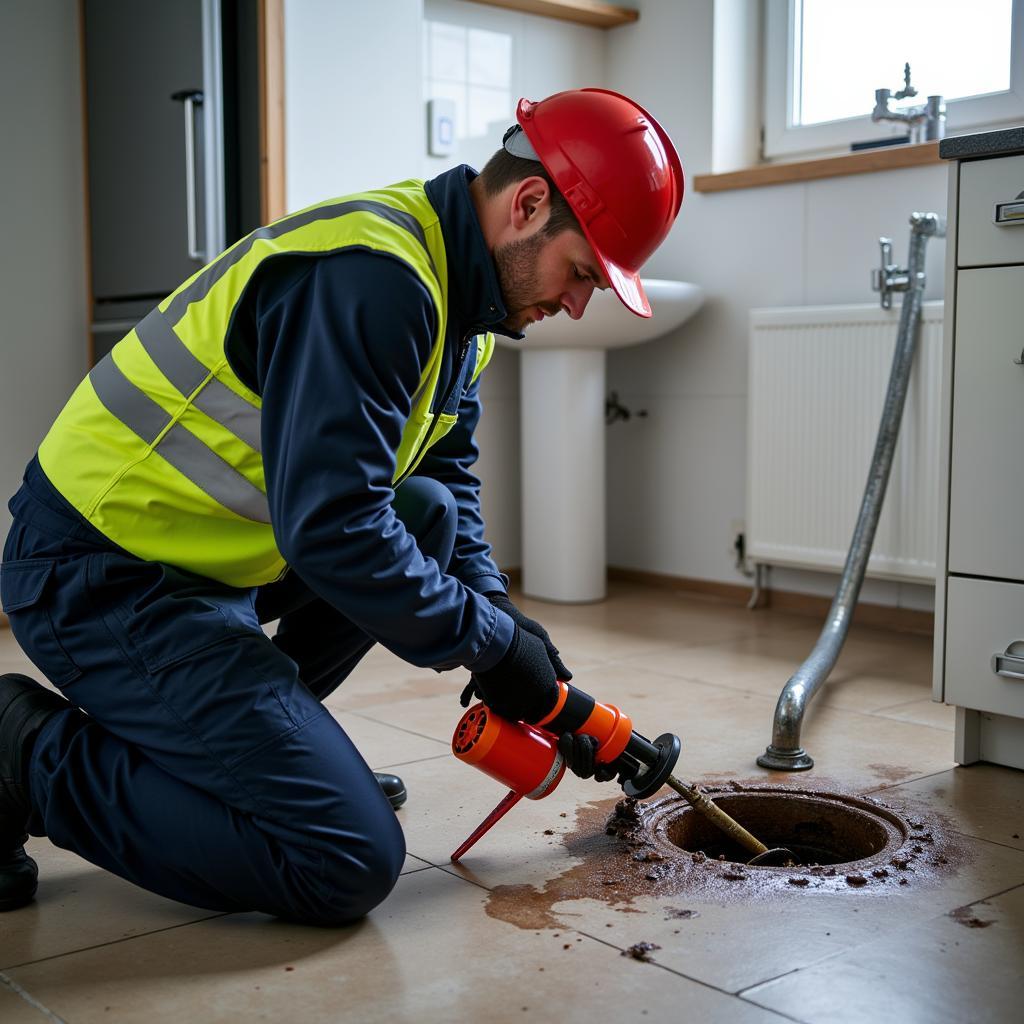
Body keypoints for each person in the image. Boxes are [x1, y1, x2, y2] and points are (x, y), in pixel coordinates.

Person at [0, 88, 683, 922]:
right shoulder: (375, 280)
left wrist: (503, 630)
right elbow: (335, 531)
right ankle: (19, 751)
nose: (577, 304)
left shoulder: (460, 310)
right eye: (580, 273)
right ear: (529, 203)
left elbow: (448, 485)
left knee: (423, 511)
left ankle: (266, 756)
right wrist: (491, 644)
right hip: (98, 572)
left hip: (208, 560)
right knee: (341, 860)